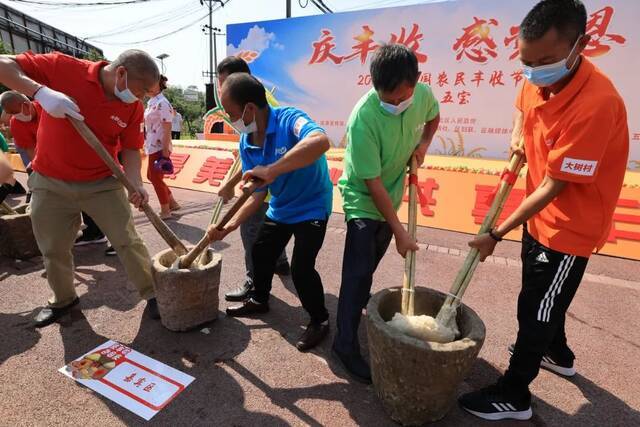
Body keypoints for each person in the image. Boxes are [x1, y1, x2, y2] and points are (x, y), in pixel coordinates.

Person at [458, 0, 629, 421]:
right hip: (537, 216)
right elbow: (523, 105)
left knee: (535, 308)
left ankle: (514, 394)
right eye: (526, 61)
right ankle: (556, 350)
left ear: (579, 46)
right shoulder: (536, 76)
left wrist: (495, 233)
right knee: (541, 298)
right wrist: (518, 136)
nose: (534, 70)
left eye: (546, 61)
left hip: (571, 228)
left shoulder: (597, 102)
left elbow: (556, 185)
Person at [0, 49, 163, 327]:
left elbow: (132, 149)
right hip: (50, 181)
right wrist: (41, 92)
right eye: (142, 90)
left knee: (127, 240)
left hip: (103, 182)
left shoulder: (132, 108)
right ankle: (63, 300)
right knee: (53, 248)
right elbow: (4, 65)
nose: (143, 98)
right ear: (121, 73)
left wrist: (135, 182)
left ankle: (155, 295)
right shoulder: (63, 68)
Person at [333, 44, 440, 383]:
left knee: (370, 262)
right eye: (388, 99)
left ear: (416, 83)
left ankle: (359, 302)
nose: (395, 105)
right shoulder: (364, 118)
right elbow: (373, 183)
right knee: (357, 272)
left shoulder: (421, 95)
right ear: (374, 85)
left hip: (392, 192)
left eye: (402, 99)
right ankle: (344, 344)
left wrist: (422, 144)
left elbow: (434, 116)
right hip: (364, 197)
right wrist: (400, 232)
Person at [208, 73, 333, 352]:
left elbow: (321, 141)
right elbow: (257, 195)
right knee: (261, 252)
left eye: (230, 113)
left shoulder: (290, 119)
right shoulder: (247, 142)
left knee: (302, 268)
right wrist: (227, 228)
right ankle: (259, 299)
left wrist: (272, 169)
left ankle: (320, 319)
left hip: (313, 205)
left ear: (249, 108)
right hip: (281, 206)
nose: (229, 119)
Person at [215, 56, 291, 304]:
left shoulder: (253, 107)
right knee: (272, 228)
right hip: (272, 184)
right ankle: (279, 262)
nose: (222, 91)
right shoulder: (262, 100)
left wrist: (231, 184)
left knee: (251, 233)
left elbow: (259, 159)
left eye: (225, 83)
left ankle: (254, 282)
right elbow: (250, 152)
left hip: (263, 187)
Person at [0, 90, 109, 247]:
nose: (12, 116)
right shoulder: (16, 123)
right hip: (49, 162)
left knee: (85, 193)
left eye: (14, 112)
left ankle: (96, 232)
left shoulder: (51, 108)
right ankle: (66, 233)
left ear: (25, 104)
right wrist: (42, 174)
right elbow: (32, 153)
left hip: (74, 153)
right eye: (9, 113)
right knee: (55, 197)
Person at [144, 74, 181, 219]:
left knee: (155, 178)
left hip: (159, 146)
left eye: (150, 83)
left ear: (158, 84)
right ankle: (172, 203)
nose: (146, 86)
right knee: (152, 176)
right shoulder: (151, 102)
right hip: (152, 145)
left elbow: (167, 128)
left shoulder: (163, 103)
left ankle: (165, 210)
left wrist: (165, 150)